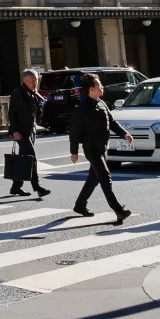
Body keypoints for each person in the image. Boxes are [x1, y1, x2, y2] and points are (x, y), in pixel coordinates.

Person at [68, 72, 132, 224]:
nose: (102, 87)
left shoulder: (101, 103)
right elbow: (74, 131)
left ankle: (80, 205)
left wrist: (124, 134)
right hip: (91, 149)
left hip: (103, 147)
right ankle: (118, 210)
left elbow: (112, 122)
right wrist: (74, 152)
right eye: (99, 85)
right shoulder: (82, 108)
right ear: (91, 89)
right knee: (105, 176)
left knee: (94, 178)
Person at [6, 68, 49, 198]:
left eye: (36, 80)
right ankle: (38, 187)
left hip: (31, 130)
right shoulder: (18, 93)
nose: (35, 82)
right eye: (33, 80)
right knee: (32, 159)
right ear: (25, 80)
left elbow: (37, 112)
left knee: (24, 159)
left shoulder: (33, 93)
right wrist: (15, 131)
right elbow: (12, 114)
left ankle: (16, 187)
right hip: (21, 132)